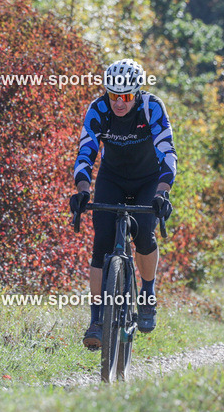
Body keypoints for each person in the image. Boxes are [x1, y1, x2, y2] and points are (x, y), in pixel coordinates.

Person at [69, 58, 177, 350]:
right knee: (101, 240)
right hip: (112, 178)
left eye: (126, 96)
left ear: (137, 93)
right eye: (113, 95)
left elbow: (167, 151)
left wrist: (163, 191)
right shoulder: (98, 109)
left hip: (147, 180)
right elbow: (85, 151)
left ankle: (147, 293)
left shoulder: (151, 107)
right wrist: (82, 189)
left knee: (144, 232)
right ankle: (95, 320)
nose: (119, 102)